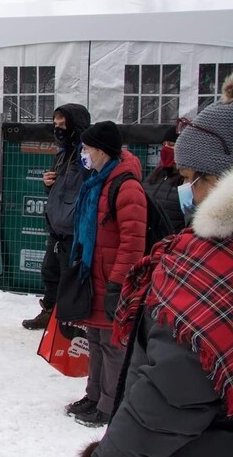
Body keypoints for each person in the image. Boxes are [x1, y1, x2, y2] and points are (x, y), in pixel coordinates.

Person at [84, 79, 233, 456]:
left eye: (189, 179)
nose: (187, 189)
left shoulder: (209, 269)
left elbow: (174, 391)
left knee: (111, 347)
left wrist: (119, 278)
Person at [64, 120, 147, 428]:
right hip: (94, 275)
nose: (83, 154)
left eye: (87, 149)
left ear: (101, 151)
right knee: (96, 340)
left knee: (113, 346)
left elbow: (132, 243)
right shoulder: (98, 180)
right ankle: (94, 395)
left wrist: (118, 283)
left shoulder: (126, 187)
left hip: (113, 280)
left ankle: (110, 405)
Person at [22, 104, 91, 329]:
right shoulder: (62, 153)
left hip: (75, 228)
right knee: (49, 271)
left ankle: (68, 320)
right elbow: (59, 189)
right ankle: (49, 312)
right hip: (57, 226)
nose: (58, 128)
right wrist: (47, 184)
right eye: (56, 124)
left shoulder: (87, 155)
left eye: (63, 124)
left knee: (70, 276)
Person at [142, 126, 186, 232]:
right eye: (164, 144)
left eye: (171, 145)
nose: (166, 148)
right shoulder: (155, 175)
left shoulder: (187, 180)